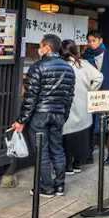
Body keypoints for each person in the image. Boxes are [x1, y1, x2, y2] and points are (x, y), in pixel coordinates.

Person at [12, 33, 76, 198]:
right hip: (59, 114)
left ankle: (46, 187)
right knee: (57, 149)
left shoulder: (37, 67)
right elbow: (69, 96)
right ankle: (60, 186)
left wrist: (21, 120)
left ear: (47, 48)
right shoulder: (68, 68)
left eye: (40, 47)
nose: (39, 50)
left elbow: (30, 98)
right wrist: (64, 115)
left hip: (40, 115)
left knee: (42, 151)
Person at [60, 39, 103, 174]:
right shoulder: (83, 64)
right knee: (81, 134)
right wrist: (90, 91)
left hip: (67, 104)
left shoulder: (62, 65)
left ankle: (68, 165)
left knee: (67, 135)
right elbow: (99, 77)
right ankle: (78, 163)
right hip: (83, 104)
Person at [82, 29, 109, 166]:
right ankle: (89, 154)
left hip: (107, 95)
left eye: (94, 41)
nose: (91, 44)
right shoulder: (85, 57)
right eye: (89, 41)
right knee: (90, 126)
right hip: (91, 95)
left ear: (100, 41)